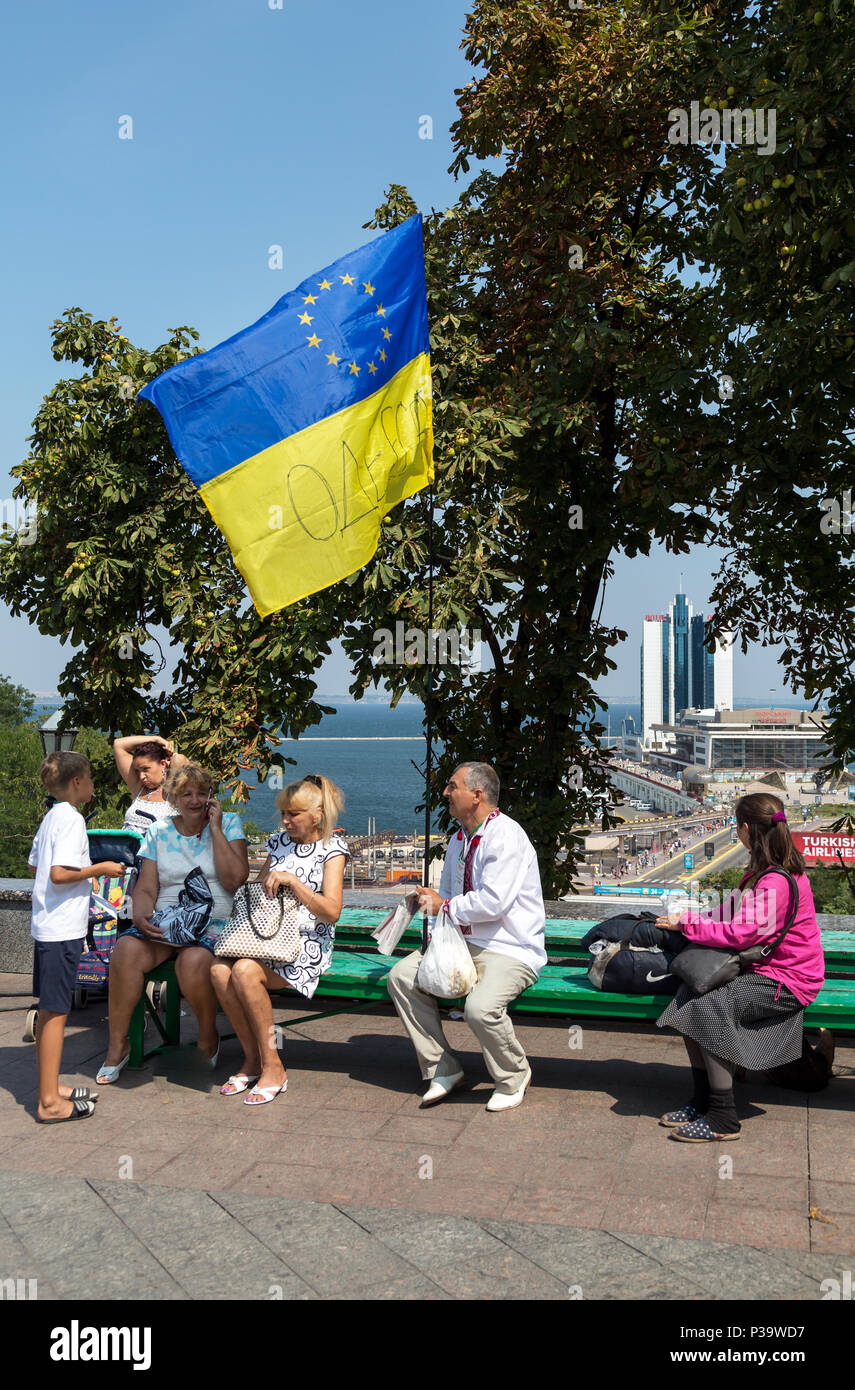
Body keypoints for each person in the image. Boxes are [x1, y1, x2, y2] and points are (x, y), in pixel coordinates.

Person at [654, 792, 824, 1141]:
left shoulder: (776, 881)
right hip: (767, 971)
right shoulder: (764, 871)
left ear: (746, 829)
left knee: (711, 1006)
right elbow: (732, 912)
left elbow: (741, 934)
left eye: (737, 827)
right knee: (689, 993)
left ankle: (723, 1116)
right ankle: (702, 1099)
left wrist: (688, 927)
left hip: (789, 980)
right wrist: (688, 919)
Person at [387, 762, 546, 1113]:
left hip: (510, 948)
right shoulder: (459, 839)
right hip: (462, 944)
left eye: (452, 786)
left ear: (477, 795)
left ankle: (513, 1075)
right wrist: (432, 903)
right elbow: (449, 897)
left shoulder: (506, 835)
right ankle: (443, 1067)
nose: (445, 792)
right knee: (400, 977)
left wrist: (445, 905)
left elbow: (495, 902)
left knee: (480, 1008)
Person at [97, 762, 248, 1083]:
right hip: (166, 920)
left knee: (192, 962)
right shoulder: (159, 831)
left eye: (202, 793)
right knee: (125, 949)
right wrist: (140, 913)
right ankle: (118, 1046)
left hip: (213, 922)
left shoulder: (230, 823)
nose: (195, 801)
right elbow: (148, 887)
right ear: (172, 799)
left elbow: (236, 880)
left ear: (211, 796)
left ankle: (208, 1036)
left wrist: (216, 830)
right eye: (186, 794)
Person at [211, 774, 348, 1107]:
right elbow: (261, 891)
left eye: (293, 815)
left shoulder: (332, 849)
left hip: (307, 943)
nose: (286, 821)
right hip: (270, 938)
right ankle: (252, 1058)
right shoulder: (278, 843)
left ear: (316, 815)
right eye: (284, 813)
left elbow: (331, 912)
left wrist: (292, 882)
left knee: (244, 971)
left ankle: (273, 1065)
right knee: (218, 970)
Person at [28, 752, 126, 1122]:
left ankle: (51, 1087)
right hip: (61, 930)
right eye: (89, 778)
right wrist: (100, 868)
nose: (93, 784)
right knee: (55, 1013)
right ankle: (49, 1103)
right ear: (76, 783)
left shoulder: (52, 815)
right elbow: (57, 873)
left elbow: (34, 864)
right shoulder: (70, 819)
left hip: (47, 925)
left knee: (53, 1009)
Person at [113, 734, 188, 833]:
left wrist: (170, 755)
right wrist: (156, 739)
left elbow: (179, 760)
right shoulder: (138, 787)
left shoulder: (174, 791)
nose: (141, 776)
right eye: (137, 771)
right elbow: (118, 744)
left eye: (145, 769)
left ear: (163, 764)